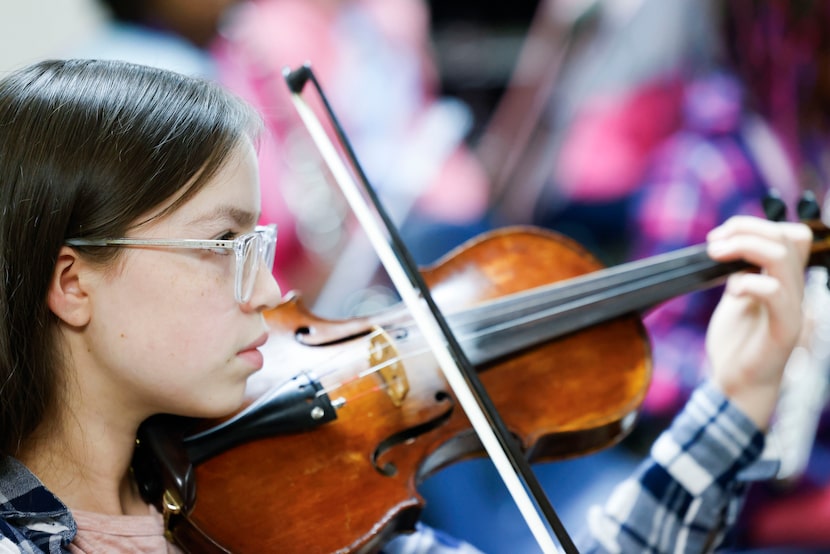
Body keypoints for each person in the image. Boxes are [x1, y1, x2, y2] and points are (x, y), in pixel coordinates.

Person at [0, 58, 813, 553]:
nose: (271, 292)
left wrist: (737, 396)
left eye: (261, 248)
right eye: (225, 248)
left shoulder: (281, 507)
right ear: (72, 284)